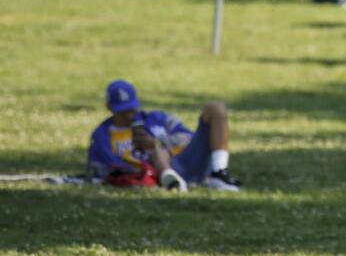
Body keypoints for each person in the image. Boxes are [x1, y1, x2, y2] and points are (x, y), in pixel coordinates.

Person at [87, 79, 241, 192]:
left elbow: (188, 137)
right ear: (110, 108)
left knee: (216, 108)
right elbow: (104, 171)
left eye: (131, 109)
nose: (129, 115)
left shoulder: (156, 118)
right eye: (122, 111)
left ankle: (219, 173)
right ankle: (170, 179)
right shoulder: (102, 135)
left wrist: (157, 142)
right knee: (156, 148)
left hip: (185, 161)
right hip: (151, 174)